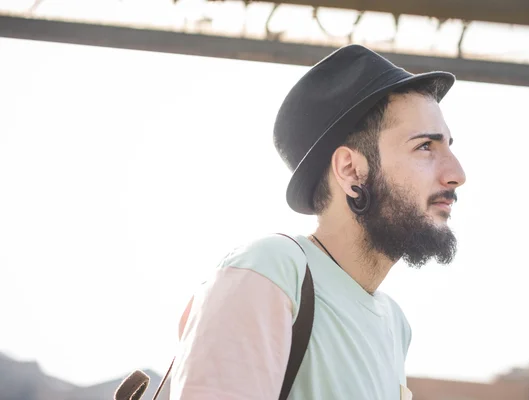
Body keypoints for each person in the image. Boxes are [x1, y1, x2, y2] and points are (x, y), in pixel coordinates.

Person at [169, 44, 466, 400]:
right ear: (351, 170)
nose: (456, 174)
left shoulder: (395, 324)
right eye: (425, 147)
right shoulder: (270, 271)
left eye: (448, 146)